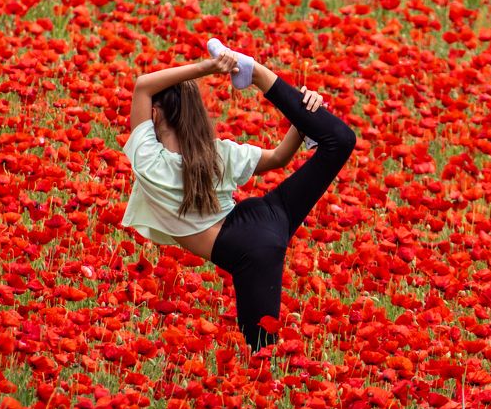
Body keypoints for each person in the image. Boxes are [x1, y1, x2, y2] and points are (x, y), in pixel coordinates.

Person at [121, 38, 356, 352]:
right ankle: (255, 73)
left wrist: (208, 67)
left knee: (260, 352)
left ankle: (255, 72)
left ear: (154, 114)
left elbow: (142, 85)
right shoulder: (216, 154)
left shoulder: (149, 161)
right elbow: (279, 158)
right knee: (340, 141)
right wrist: (304, 117)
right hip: (267, 214)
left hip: (248, 249)